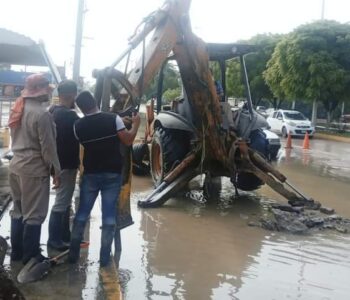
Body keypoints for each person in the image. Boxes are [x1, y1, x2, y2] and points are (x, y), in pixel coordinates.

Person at [68, 91, 140, 267]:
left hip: (91, 174)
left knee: (82, 214)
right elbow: (128, 140)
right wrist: (135, 124)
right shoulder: (112, 119)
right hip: (112, 174)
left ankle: (73, 255)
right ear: (95, 101)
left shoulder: (78, 126)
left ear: (80, 107)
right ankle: (105, 258)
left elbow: (86, 142)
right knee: (108, 216)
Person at [8, 73, 61, 264]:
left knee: (18, 210)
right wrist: (56, 171)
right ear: (41, 91)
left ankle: (17, 253)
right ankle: (31, 256)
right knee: (34, 215)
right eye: (47, 89)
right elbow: (48, 148)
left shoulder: (18, 107)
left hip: (16, 166)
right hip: (33, 170)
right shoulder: (42, 114)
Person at [47, 80, 79, 251]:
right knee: (61, 202)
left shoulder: (52, 111)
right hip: (66, 164)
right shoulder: (70, 116)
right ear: (72, 95)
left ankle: (64, 235)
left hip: (57, 163)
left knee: (65, 201)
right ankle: (54, 240)